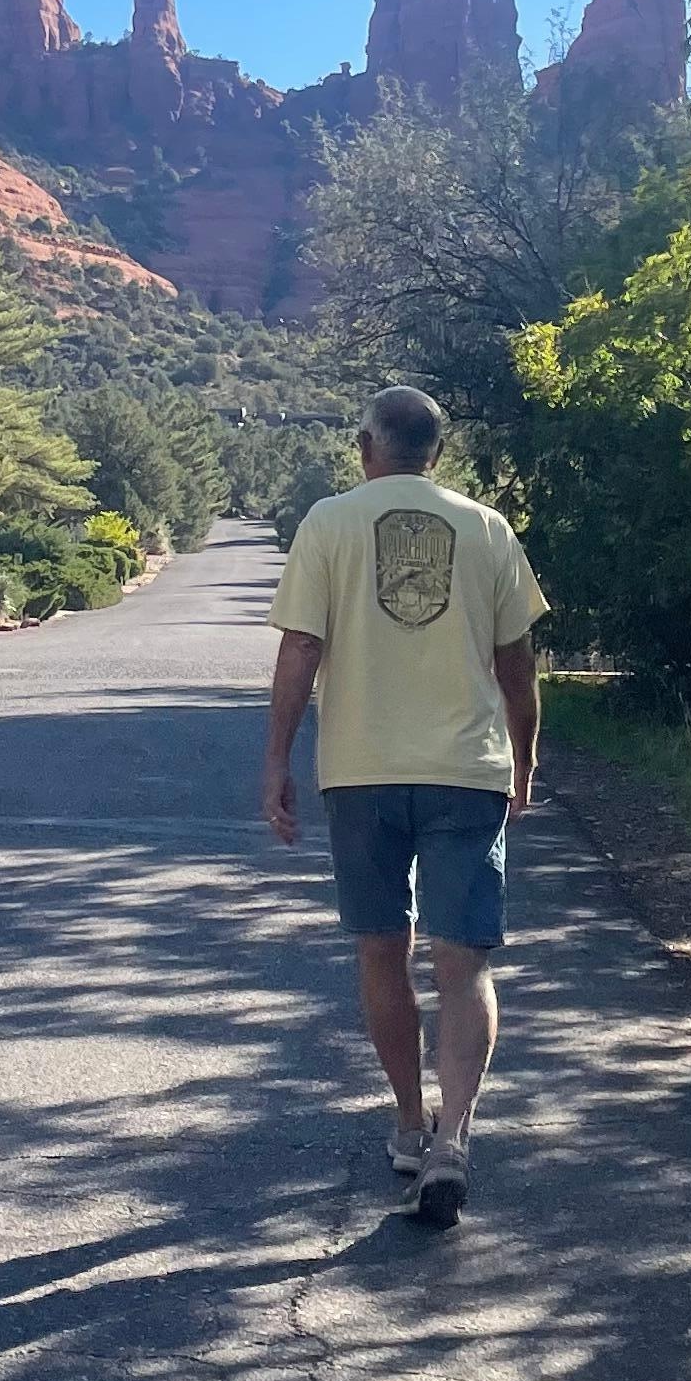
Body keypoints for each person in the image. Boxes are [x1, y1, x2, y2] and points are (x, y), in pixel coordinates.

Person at [261, 382, 544, 1226]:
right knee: (466, 962)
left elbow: (302, 646)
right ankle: (456, 1137)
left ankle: (412, 1124)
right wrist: (524, 760)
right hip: (467, 767)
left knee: (383, 952)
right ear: (437, 453)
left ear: (365, 446)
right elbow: (518, 663)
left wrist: (276, 757)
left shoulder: (328, 523)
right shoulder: (487, 527)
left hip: (362, 769)